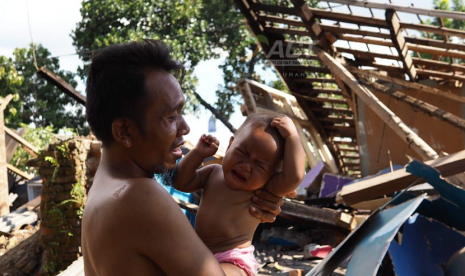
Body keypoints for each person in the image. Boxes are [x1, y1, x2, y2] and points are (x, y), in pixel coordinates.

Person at [81, 39, 289, 276]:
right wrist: (242, 266)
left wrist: (239, 211)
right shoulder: (139, 195)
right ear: (125, 132)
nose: (185, 127)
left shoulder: (102, 189)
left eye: (181, 113)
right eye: (171, 117)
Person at [172, 113, 306, 276]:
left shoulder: (263, 188)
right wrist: (198, 153)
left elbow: (294, 176)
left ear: (272, 174)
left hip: (231, 259)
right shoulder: (213, 172)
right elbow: (179, 181)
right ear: (230, 145)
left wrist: (293, 136)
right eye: (242, 152)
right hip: (198, 252)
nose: (246, 166)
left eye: (260, 165)